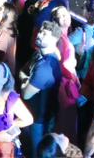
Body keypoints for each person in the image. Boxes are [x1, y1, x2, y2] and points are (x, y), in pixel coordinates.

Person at [22, 21, 64, 158]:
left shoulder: (45, 67)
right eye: (40, 31)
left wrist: (24, 81)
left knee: (38, 153)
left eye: (44, 34)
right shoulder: (38, 54)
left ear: (54, 40)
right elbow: (22, 71)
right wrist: (26, 80)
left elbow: (25, 94)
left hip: (39, 119)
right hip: (35, 114)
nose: (39, 35)